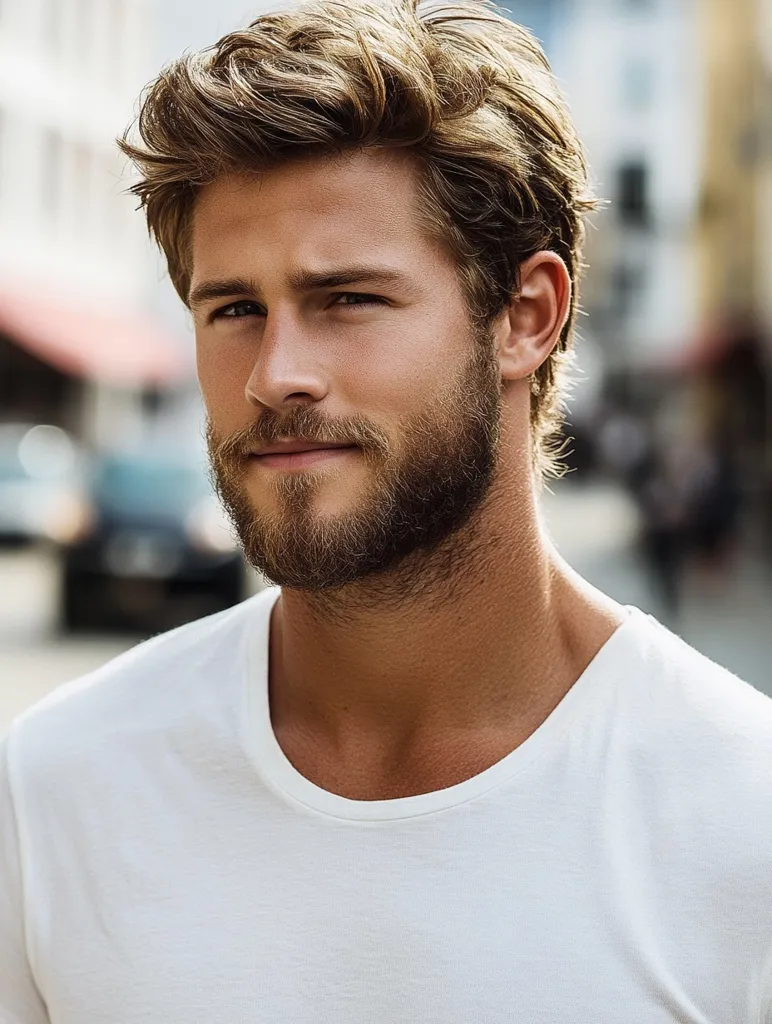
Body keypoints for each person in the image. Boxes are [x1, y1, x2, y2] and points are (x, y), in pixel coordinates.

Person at [2, 2, 771, 1020]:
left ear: (525, 316)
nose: (277, 375)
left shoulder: (740, 818)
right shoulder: (55, 791)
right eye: (233, 310)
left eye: (348, 299)